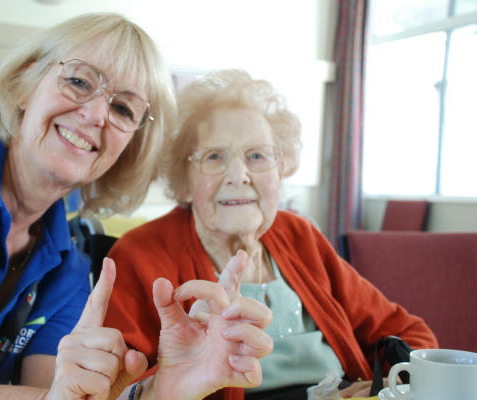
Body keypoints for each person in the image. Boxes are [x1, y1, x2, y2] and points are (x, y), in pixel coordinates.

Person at [0, 14, 273, 400]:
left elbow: (61, 395)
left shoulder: (68, 267)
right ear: (23, 85)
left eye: (123, 109)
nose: (96, 114)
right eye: (79, 81)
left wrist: (158, 392)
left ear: (128, 148)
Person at [104, 69, 439, 399]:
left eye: (257, 156)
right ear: (185, 179)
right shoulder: (140, 254)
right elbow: (115, 384)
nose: (239, 175)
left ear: (280, 172)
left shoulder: (299, 235)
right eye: (215, 156)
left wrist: (383, 387)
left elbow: (410, 335)